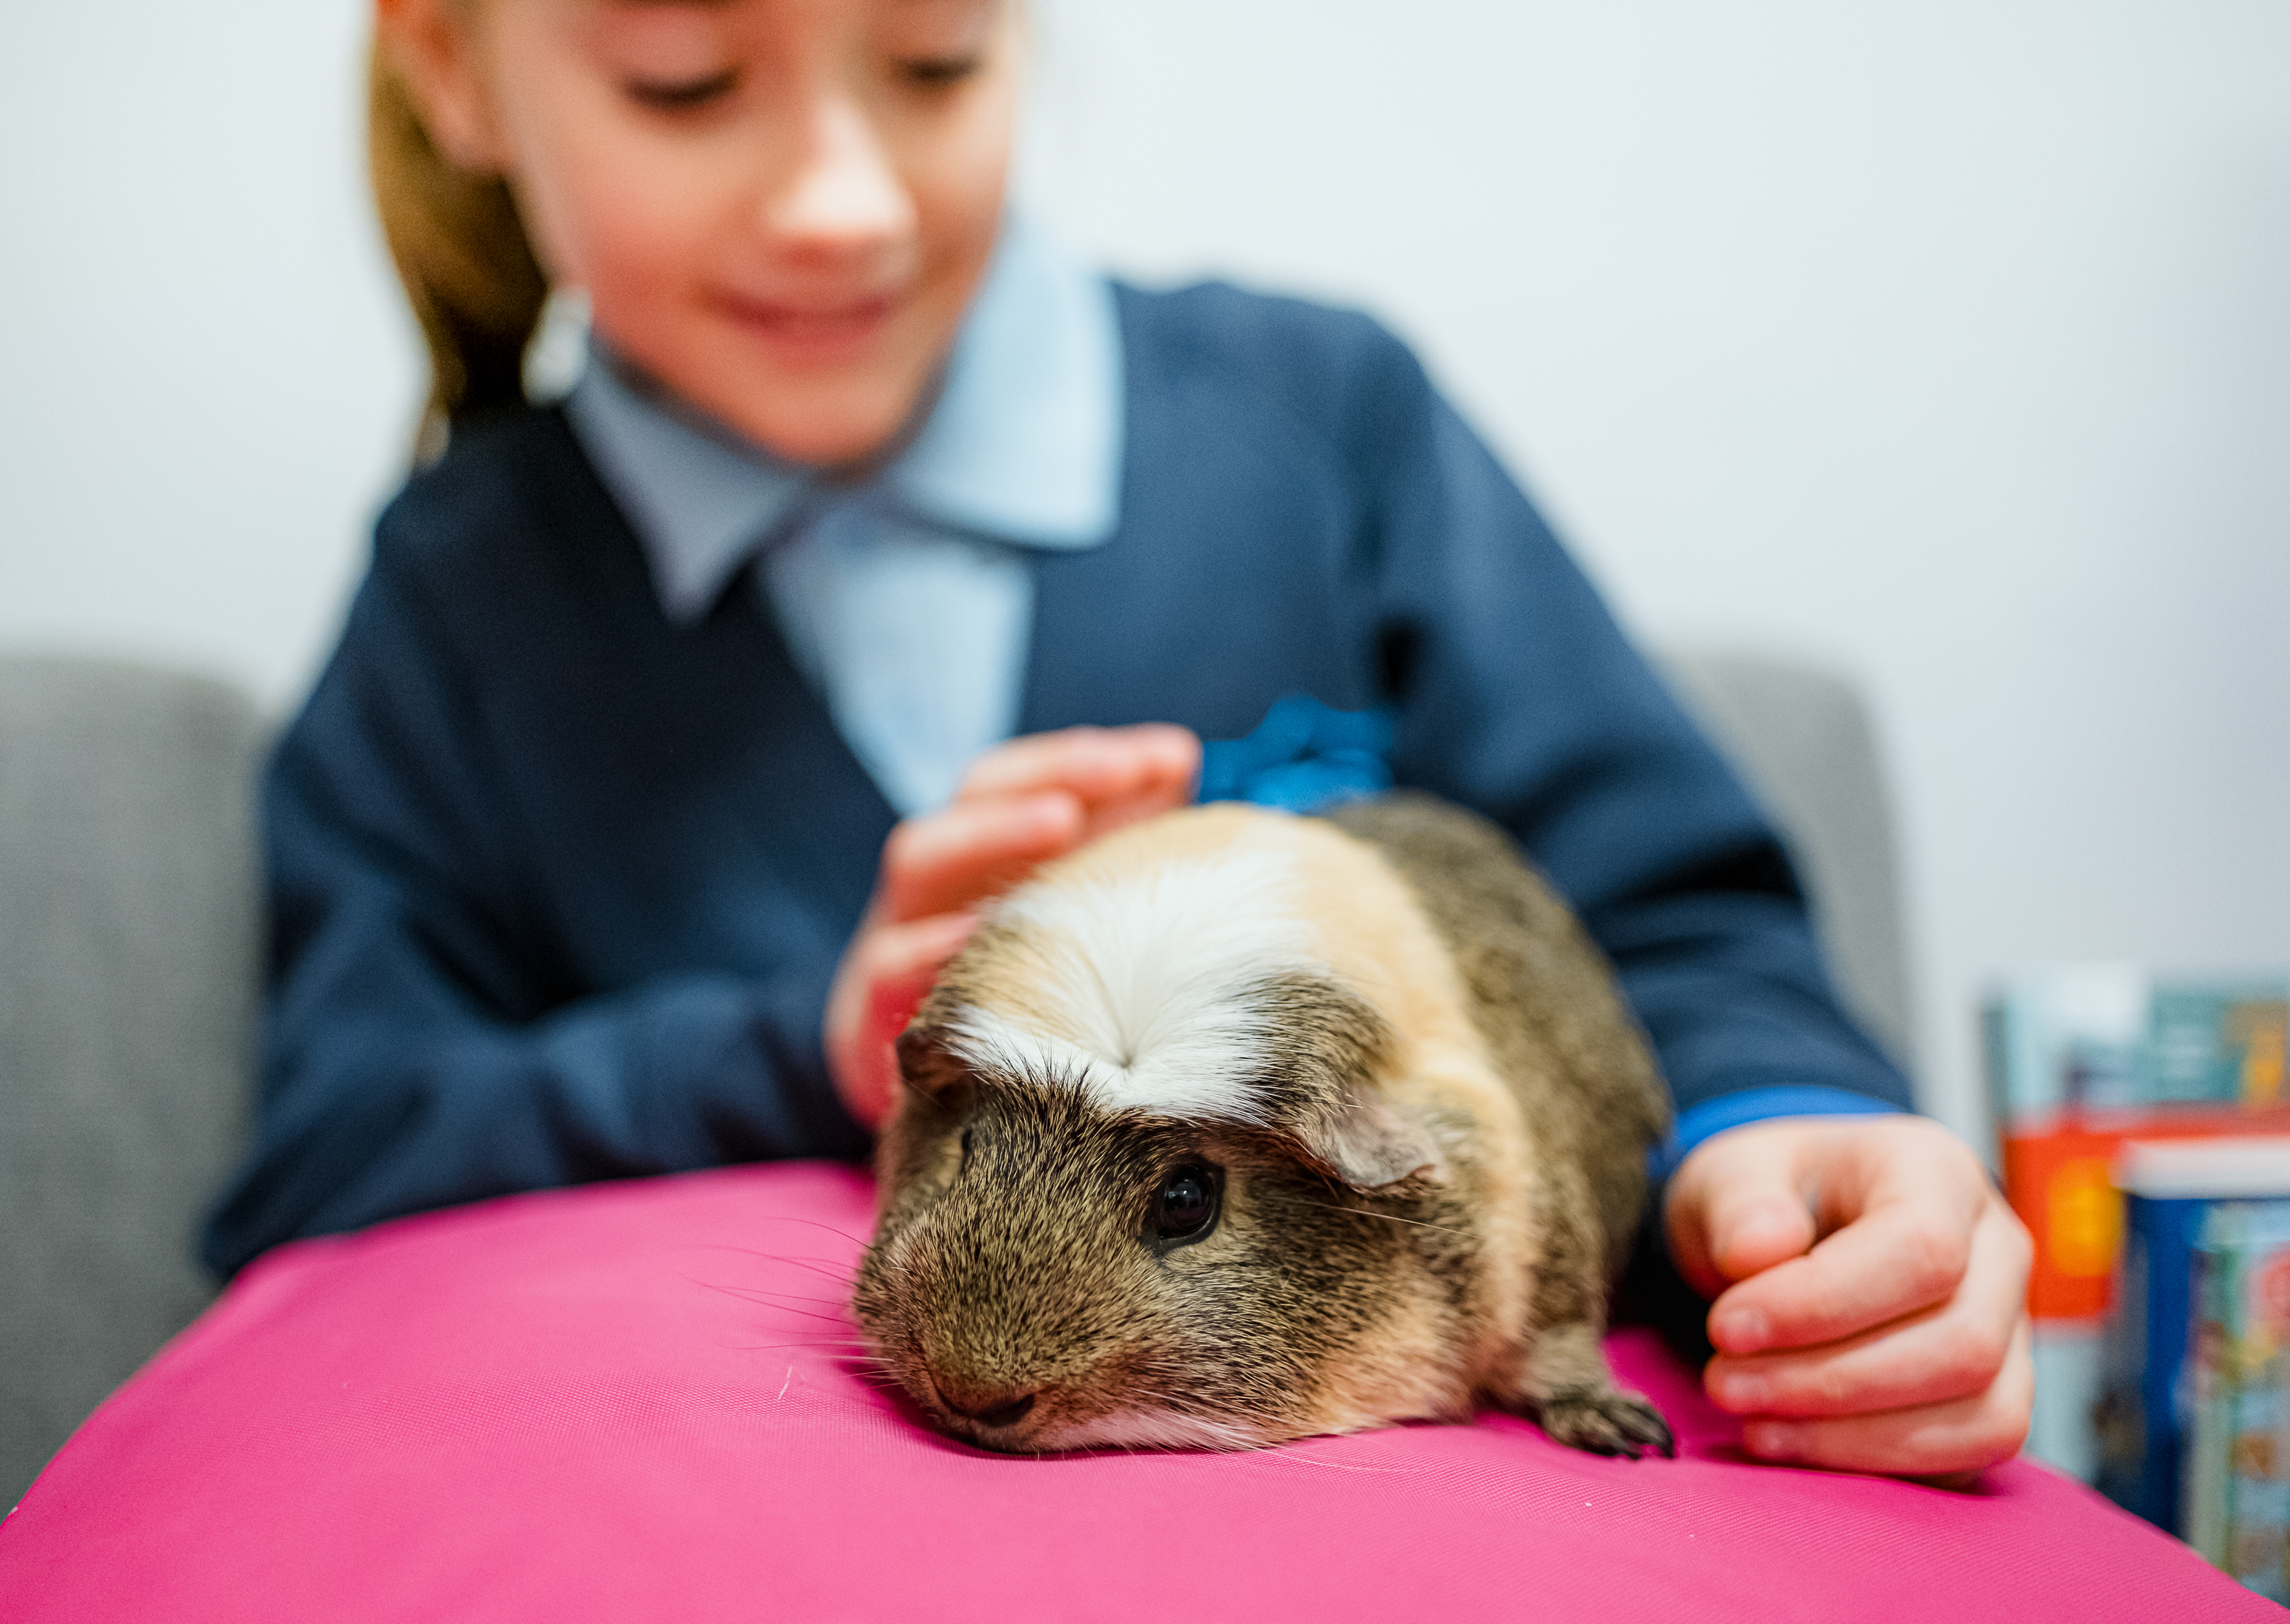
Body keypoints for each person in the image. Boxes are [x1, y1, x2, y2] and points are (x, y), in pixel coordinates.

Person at [204, 0, 2033, 1481]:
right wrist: (798, 1045)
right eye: (686, 84)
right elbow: (335, 1154)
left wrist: (1781, 1147)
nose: (841, 199)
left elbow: (1680, 919)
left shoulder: (1326, 426)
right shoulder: (456, 598)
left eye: (929, 61)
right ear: (453, 67)